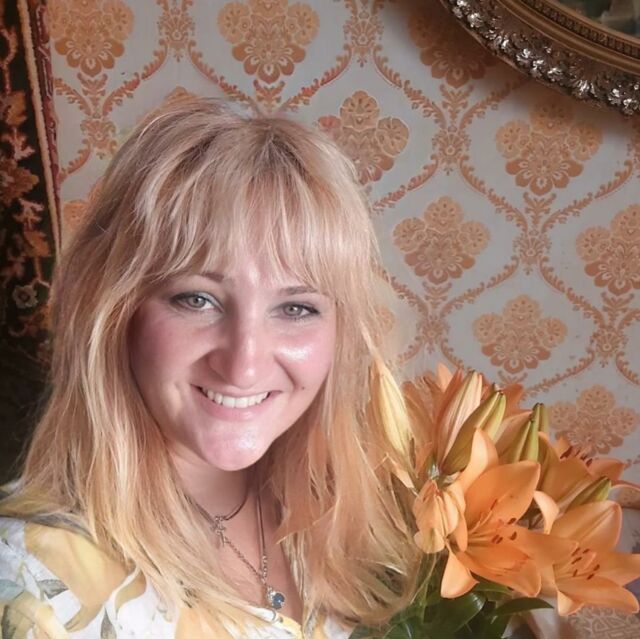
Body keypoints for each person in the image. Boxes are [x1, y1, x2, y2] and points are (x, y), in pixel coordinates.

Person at [0, 98, 420, 638]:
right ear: (114, 310)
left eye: (296, 308)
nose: (244, 365)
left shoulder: (358, 527)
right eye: (197, 299)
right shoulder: (33, 584)